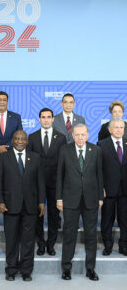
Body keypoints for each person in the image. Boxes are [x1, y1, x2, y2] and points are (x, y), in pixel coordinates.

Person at [0, 130, 45, 282]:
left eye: (23, 139)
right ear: (12, 140)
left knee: (28, 240)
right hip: (10, 206)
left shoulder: (36, 158)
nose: (20, 141)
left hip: (31, 206)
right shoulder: (3, 157)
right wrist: (0, 201)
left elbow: (40, 182)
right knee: (11, 240)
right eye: (17, 138)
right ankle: (11, 269)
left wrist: (42, 202)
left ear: (27, 141)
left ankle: (26, 270)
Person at [56, 124, 103, 281]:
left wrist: (100, 197)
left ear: (88, 135)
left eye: (83, 134)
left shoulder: (95, 150)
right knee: (69, 234)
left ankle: (90, 268)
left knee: (91, 235)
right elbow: (59, 176)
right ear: (73, 136)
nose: (80, 138)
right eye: (77, 135)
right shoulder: (65, 150)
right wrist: (59, 198)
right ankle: (66, 268)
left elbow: (99, 175)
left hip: (91, 199)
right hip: (70, 199)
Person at [27, 108, 67, 256]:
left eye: (48, 117)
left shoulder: (61, 137)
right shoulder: (32, 137)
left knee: (54, 216)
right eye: (43, 117)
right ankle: (41, 244)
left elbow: (63, 162)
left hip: (55, 183)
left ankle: (51, 244)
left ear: (52, 119)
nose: (46, 120)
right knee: (38, 214)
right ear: (39, 119)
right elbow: (29, 161)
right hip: (36, 183)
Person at [97, 118, 127, 256]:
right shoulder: (102, 145)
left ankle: (123, 245)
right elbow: (98, 169)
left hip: (125, 190)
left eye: (121, 127)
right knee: (107, 219)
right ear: (110, 130)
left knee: (124, 219)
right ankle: (108, 245)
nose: (119, 130)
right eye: (116, 127)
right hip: (108, 189)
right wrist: (101, 187)